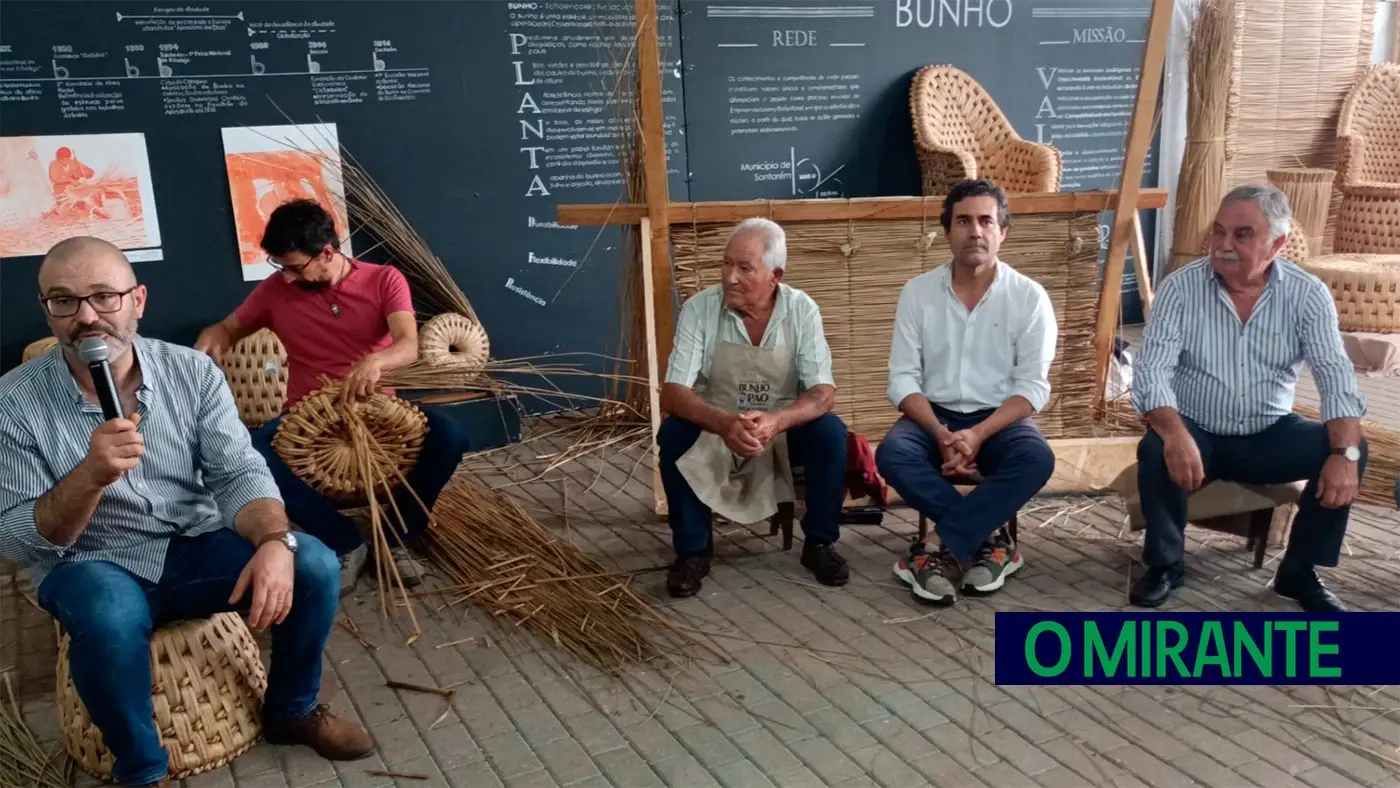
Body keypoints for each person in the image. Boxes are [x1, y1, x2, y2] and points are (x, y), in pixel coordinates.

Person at [0, 237, 373, 788]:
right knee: (105, 612)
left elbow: (237, 472)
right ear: (46, 310)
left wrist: (274, 541)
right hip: (91, 563)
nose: (86, 317)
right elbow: (15, 540)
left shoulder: (192, 374)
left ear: (139, 300)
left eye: (105, 296)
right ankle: (141, 769)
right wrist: (90, 477)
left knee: (313, 562)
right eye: (64, 301)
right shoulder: (13, 400)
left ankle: (292, 710)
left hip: (193, 544)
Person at [195, 199, 469, 595]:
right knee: (247, 453)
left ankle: (395, 537)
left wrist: (377, 361)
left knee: (451, 436)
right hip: (304, 419)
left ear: (327, 252)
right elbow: (225, 330)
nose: (285, 278)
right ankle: (345, 540)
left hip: (379, 412)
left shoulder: (383, 279)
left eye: (294, 267)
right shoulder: (275, 291)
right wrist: (210, 343)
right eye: (280, 267)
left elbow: (409, 345)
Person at [1130, 185, 1368, 612]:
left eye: (1241, 234)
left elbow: (1336, 378)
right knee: (1155, 447)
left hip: (1269, 433)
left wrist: (1345, 454)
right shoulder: (1180, 289)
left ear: (1276, 243)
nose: (1223, 245)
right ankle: (1166, 565)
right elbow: (1151, 371)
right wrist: (1175, 434)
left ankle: (1298, 572)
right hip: (1197, 430)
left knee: (1348, 450)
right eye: (1218, 231)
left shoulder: (1307, 295)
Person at [875, 179, 1058, 607]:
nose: (975, 231)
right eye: (963, 221)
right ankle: (992, 543)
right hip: (931, 418)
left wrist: (978, 435)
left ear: (1003, 231)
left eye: (985, 220)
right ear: (947, 232)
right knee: (891, 455)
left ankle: (932, 548)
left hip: (999, 420)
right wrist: (941, 433)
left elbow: (1032, 387)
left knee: (1037, 458)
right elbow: (902, 379)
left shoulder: (1029, 298)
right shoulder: (917, 293)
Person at [657, 218, 850, 598]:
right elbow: (674, 392)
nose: (730, 277)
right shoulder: (700, 309)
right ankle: (693, 552)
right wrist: (726, 423)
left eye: (744, 268)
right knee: (674, 432)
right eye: (726, 264)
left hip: (779, 427)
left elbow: (823, 392)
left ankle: (820, 544)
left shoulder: (801, 310)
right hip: (718, 424)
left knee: (830, 434)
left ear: (775, 275)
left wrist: (778, 421)